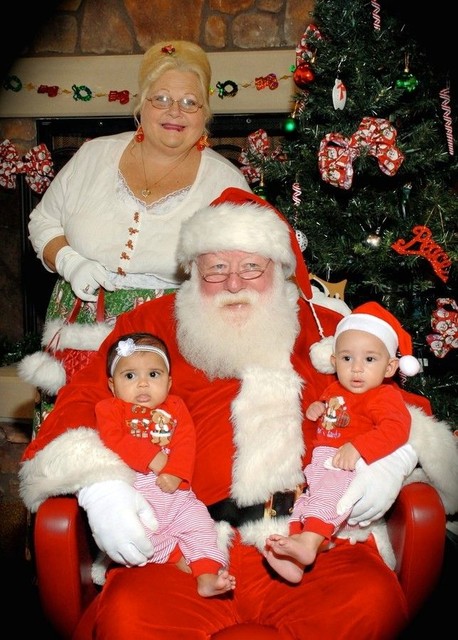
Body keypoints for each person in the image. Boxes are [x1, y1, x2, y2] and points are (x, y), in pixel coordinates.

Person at [19, 188, 458, 639]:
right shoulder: (148, 324)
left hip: (309, 538)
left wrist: (389, 460)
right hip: (181, 546)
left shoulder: (322, 325)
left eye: (251, 267)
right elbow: (81, 402)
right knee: (130, 618)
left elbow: (397, 404)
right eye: (216, 269)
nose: (234, 284)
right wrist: (101, 485)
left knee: (369, 603)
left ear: (279, 269)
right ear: (193, 270)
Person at [18, 39, 251, 429]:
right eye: (161, 98)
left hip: (167, 337)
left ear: (205, 114)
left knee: (153, 448)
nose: (175, 112)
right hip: (80, 330)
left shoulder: (225, 182)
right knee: (74, 439)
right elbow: (42, 221)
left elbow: (241, 272)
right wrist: (68, 260)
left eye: (190, 102)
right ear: (140, 105)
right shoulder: (93, 157)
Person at [264, 301, 420, 582]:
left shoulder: (384, 396)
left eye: (369, 359)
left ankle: (308, 545)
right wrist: (317, 408)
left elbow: (397, 429)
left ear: (390, 367)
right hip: (321, 461)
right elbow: (330, 410)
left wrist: (360, 448)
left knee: (327, 499)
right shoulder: (335, 388)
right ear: (334, 362)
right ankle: (296, 560)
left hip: (348, 463)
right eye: (347, 359)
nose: (357, 369)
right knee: (305, 502)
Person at [96, 331, 235, 597]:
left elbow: (185, 441)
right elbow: (114, 439)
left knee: (202, 525)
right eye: (129, 376)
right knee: (132, 540)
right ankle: (173, 553)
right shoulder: (109, 409)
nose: (143, 384)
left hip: (177, 495)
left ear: (169, 382)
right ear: (113, 386)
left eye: (153, 375)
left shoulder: (175, 407)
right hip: (139, 494)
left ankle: (206, 575)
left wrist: (176, 472)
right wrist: (155, 459)